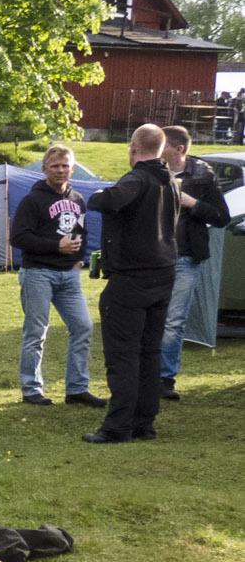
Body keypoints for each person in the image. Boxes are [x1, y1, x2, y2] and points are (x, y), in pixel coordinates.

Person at [82, 124, 181, 444]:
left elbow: (109, 201)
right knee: (149, 353)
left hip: (132, 279)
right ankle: (144, 424)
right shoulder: (171, 182)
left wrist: (96, 195)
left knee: (123, 354)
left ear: (133, 148)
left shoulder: (137, 178)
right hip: (164, 273)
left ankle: (117, 427)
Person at [9, 144, 104, 408]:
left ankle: (77, 388)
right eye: (55, 166)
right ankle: (31, 390)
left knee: (83, 326)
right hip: (38, 273)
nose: (61, 171)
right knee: (36, 332)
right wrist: (56, 246)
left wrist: (78, 259)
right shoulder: (32, 200)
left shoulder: (77, 199)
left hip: (68, 276)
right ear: (45, 169)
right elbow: (18, 238)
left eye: (65, 166)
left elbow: (81, 232)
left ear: (72, 168)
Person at [158, 125, 232, 401]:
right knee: (153, 317)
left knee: (174, 321)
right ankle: (144, 374)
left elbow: (222, 217)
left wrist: (192, 203)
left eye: (162, 144)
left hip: (186, 257)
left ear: (178, 149)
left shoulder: (202, 176)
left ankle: (165, 379)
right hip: (154, 257)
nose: (157, 149)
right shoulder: (152, 171)